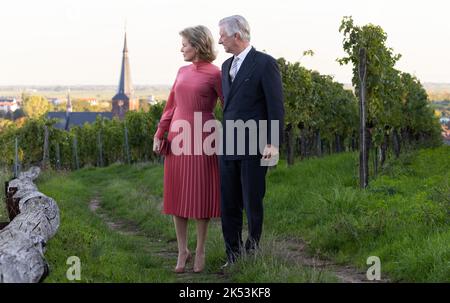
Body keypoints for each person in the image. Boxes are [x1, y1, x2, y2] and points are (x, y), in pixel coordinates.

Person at [153, 25, 223, 273]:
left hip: (203, 137)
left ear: (198, 45)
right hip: (176, 136)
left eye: (185, 44)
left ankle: (201, 249)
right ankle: (183, 250)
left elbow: (230, 105)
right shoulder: (181, 71)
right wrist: (160, 132)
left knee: (200, 194)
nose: (181, 48)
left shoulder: (216, 74)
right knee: (177, 193)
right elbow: (171, 105)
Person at [217, 15, 284, 267]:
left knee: (252, 201)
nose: (219, 40)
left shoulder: (265, 64)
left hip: (255, 145)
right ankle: (232, 256)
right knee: (229, 204)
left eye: (222, 35)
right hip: (228, 146)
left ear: (237, 35)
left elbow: (275, 107)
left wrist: (273, 143)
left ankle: (253, 252)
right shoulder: (225, 66)